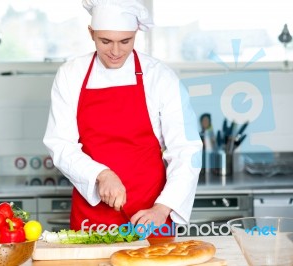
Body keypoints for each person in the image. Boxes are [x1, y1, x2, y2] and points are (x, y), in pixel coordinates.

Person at [43, 0, 202, 239]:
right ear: (91, 33)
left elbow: (186, 148)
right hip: (92, 214)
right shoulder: (71, 74)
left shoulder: (160, 77)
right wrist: (101, 174)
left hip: (150, 214)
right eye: (105, 41)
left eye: (125, 41)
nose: (116, 52)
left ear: (136, 33)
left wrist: (164, 207)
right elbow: (60, 144)